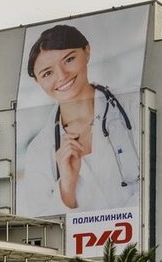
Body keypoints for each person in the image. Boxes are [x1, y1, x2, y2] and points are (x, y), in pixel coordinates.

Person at [20, 24, 140, 215]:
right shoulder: (39, 151)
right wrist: (67, 187)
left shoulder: (134, 105)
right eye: (47, 73)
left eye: (69, 60)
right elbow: (43, 224)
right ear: (37, 81)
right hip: (87, 236)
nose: (62, 76)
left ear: (87, 51)